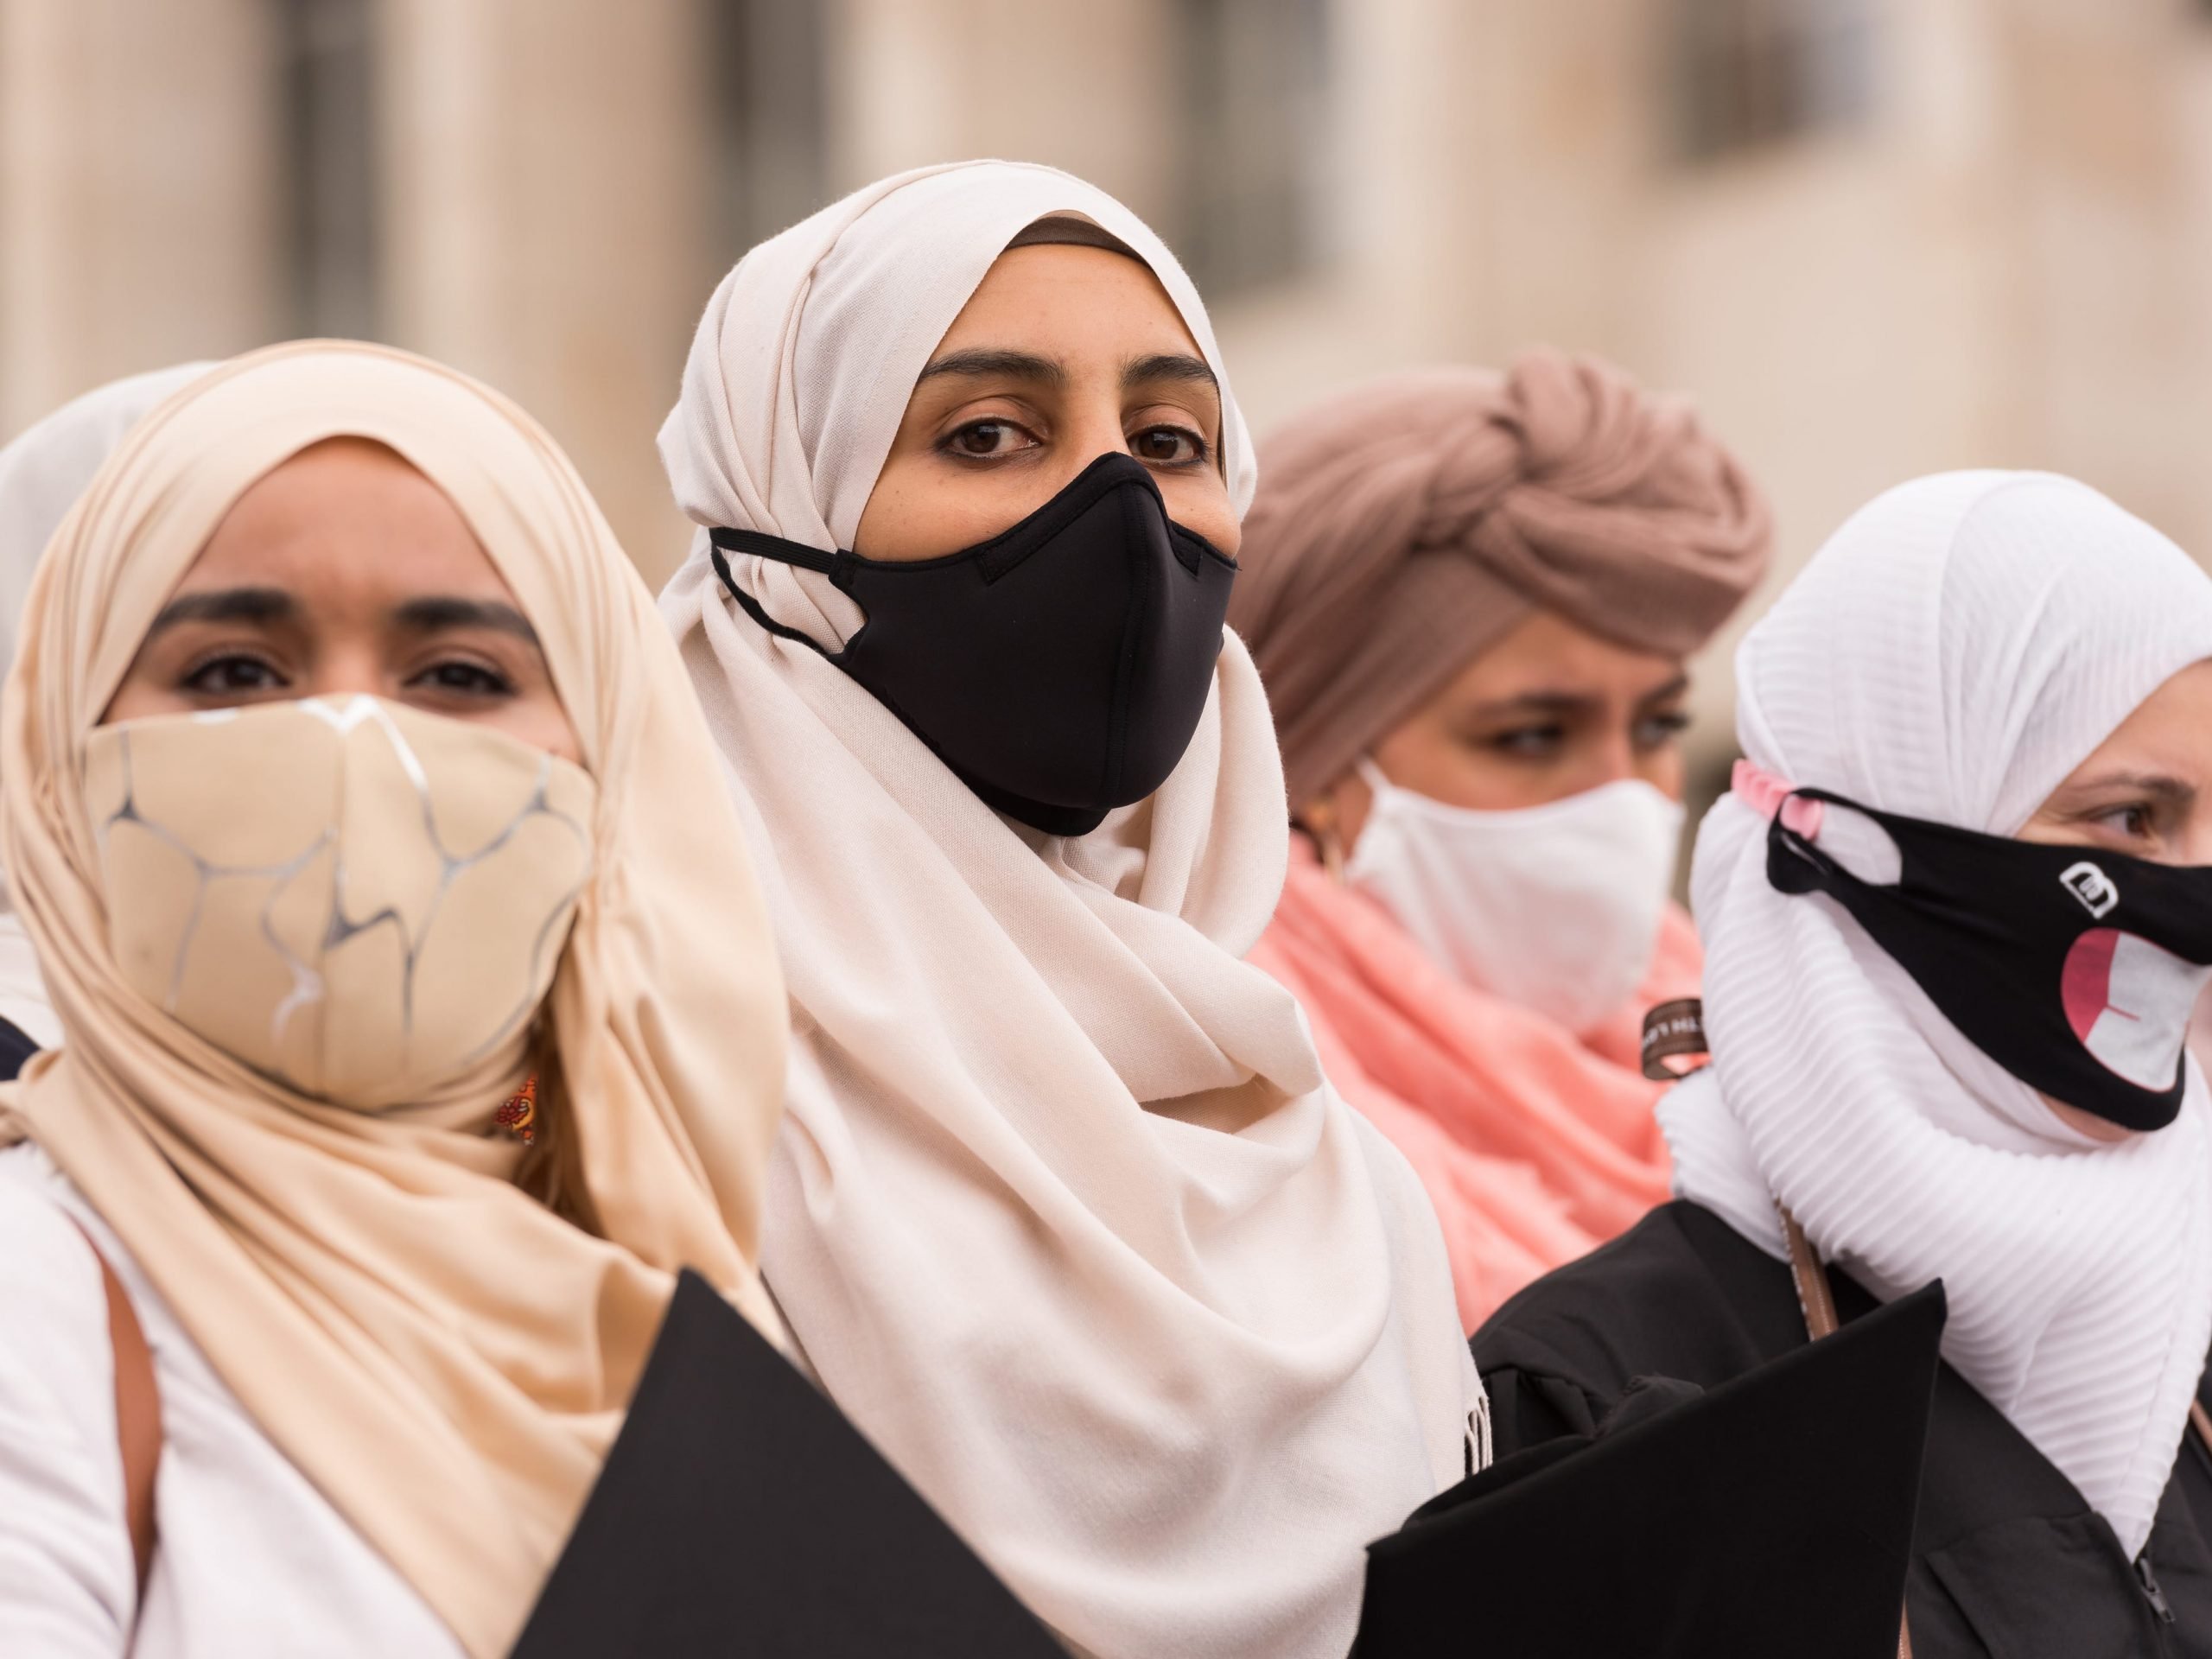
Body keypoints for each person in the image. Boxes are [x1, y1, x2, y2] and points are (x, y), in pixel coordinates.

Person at [659, 161, 1479, 1659]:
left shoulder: (1329, 1164)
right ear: (782, 520)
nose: (1116, 504)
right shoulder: (640, 1099)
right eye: (988, 434)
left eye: (1171, 438)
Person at [0, 341, 787, 1659]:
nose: (351, 745)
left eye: (461, 678)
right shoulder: (39, 1306)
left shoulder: (662, 1290)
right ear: (57, 763)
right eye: (235, 674)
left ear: (609, 761)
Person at [1473, 471, 2212, 1656]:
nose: (2193, 896)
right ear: (1892, 813)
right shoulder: (1600, 1394)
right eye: (2131, 819)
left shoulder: (2195, 1324)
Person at [1229, 353, 1773, 1328]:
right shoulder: (1224, 1111)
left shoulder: (1748, 1052)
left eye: (1655, 728)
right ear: (1309, 771)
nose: (1618, 796)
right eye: (1529, 736)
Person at [0, 363, 212, 1060]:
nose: (349, 715)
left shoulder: (521, 1053)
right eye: (231, 671)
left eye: (456, 675)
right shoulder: (29, 1076)